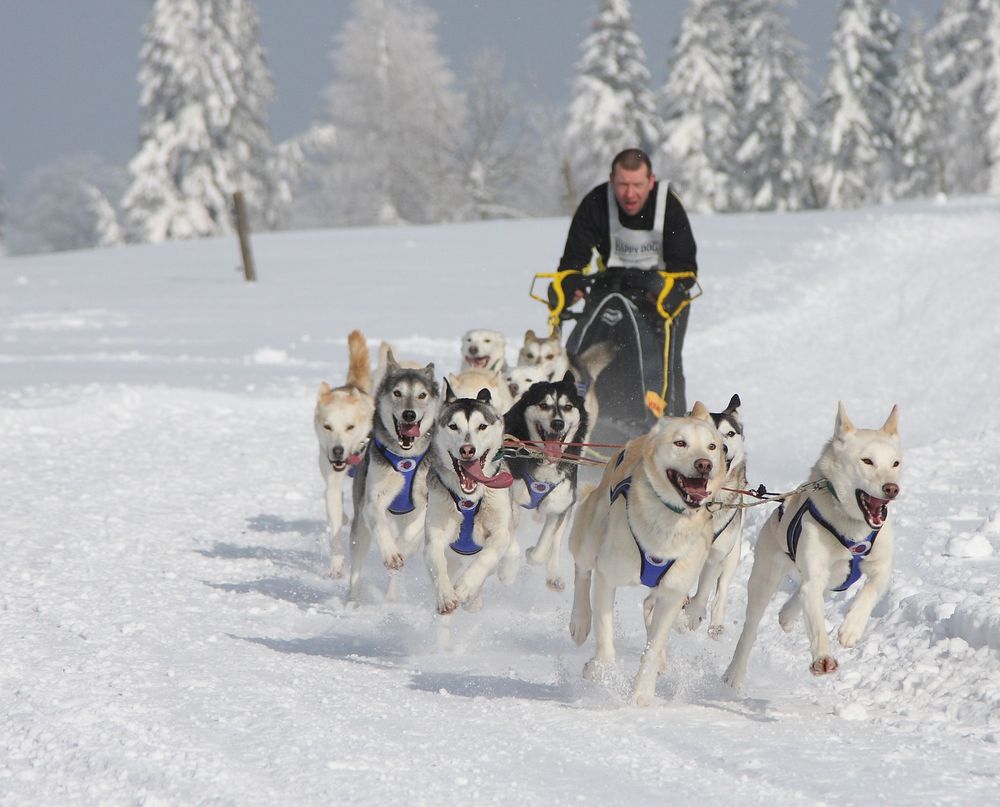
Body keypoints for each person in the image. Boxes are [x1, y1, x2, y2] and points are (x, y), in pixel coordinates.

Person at [553, 147, 698, 429]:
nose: (630, 194)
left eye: (637, 185)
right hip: (610, 290)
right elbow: (572, 260)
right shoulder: (596, 203)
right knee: (595, 352)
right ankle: (589, 417)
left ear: (651, 182)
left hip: (660, 297)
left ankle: (670, 423)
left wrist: (666, 291)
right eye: (623, 185)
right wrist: (571, 285)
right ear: (611, 181)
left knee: (668, 363)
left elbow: (687, 269)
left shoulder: (668, 206)